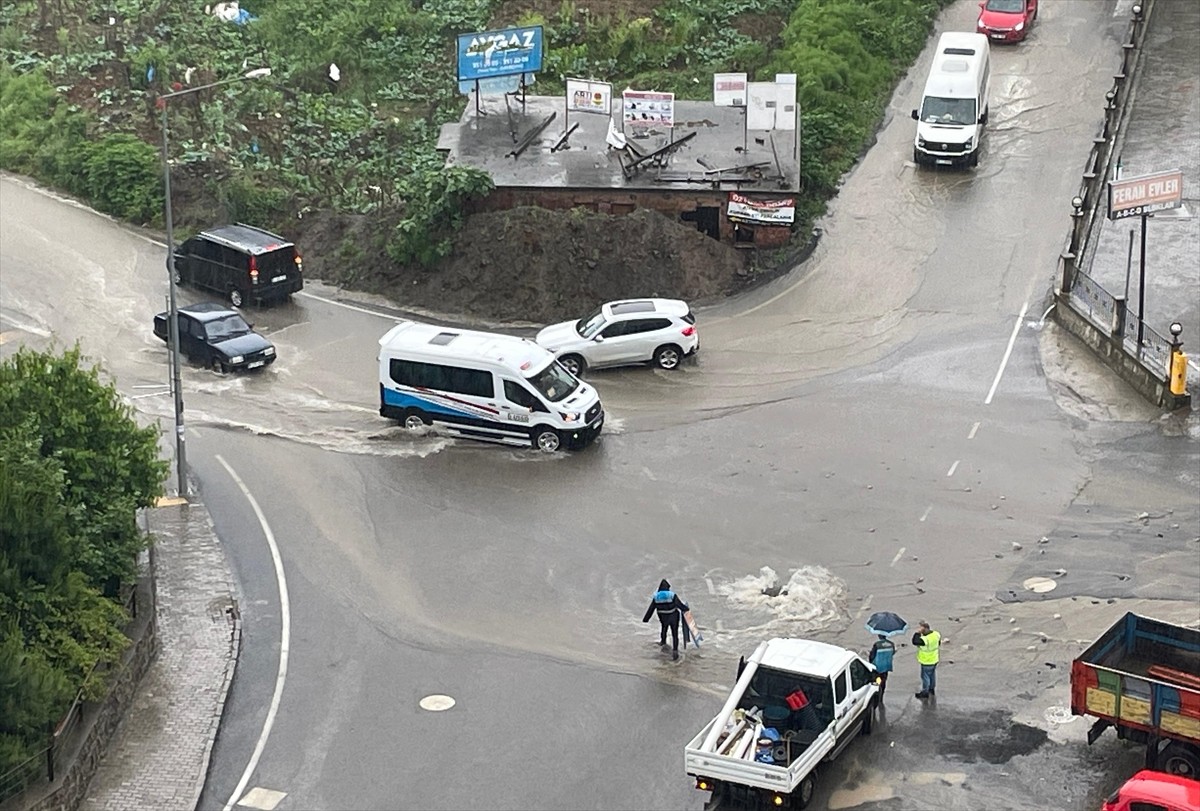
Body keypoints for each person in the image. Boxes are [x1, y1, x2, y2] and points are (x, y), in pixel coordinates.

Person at [642, 579, 688, 660]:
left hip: (663, 618)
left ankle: (663, 642)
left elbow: (651, 609)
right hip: (674, 617)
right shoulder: (671, 595)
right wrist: (686, 609)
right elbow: (679, 604)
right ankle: (675, 651)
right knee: (675, 633)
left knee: (664, 628)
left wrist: (646, 619)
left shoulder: (656, 597)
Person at [912, 620, 941, 698]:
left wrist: (918, 633)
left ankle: (925, 691)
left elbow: (915, 641)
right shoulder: (936, 634)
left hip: (926, 660)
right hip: (934, 659)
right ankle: (932, 689)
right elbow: (939, 643)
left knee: (925, 677)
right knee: (932, 675)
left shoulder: (925, 639)